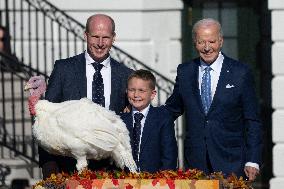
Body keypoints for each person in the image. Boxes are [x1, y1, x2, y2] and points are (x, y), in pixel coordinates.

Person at [165, 18, 262, 180]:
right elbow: (172, 109)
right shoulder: (185, 71)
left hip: (232, 161)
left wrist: (253, 159)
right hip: (196, 161)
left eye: (212, 41)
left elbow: (252, 120)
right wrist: (140, 110)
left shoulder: (241, 72)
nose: (207, 47)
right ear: (195, 43)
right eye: (201, 42)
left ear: (221, 41)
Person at [39, 14, 133, 178]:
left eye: (106, 37)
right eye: (95, 36)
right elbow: (45, 120)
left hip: (113, 173)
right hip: (68, 172)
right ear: (85, 35)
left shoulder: (126, 75)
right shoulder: (64, 70)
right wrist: (50, 172)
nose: (100, 43)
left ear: (113, 38)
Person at [120, 69, 178, 173]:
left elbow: (169, 157)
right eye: (132, 90)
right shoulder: (120, 120)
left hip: (155, 182)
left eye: (141, 90)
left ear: (152, 94)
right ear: (126, 91)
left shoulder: (162, 118)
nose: (136, 95)